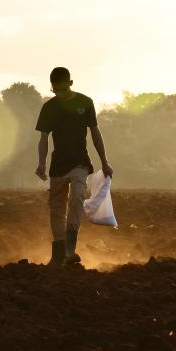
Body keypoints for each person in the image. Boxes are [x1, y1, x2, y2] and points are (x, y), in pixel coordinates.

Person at [35, 67, 114, 266]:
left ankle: (70, 248)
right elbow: (43, 139)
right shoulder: (49, 108)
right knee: (56, 207)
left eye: (62, 89)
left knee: (78, 197)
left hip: (79, 162)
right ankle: (59, 251)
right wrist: (41, 163)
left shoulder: (85, 103)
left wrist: (104, 162)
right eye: (56, 90)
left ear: (70, 83)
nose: (59, 93)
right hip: (57, 164)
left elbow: (95, 133)